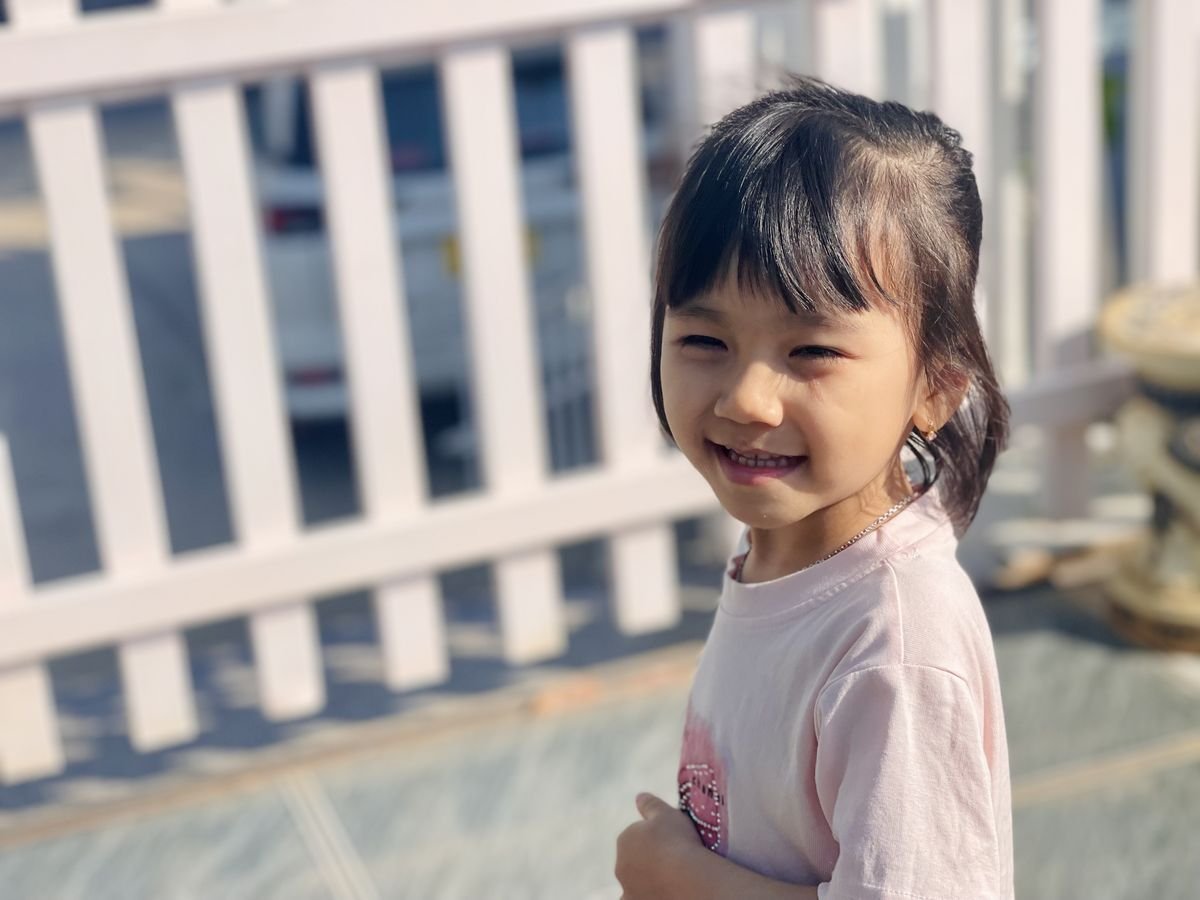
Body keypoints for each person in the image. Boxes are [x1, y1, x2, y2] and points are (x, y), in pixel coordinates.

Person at [614, 77, 1014, 899]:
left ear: (936, 387)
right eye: (703, 340)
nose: (746, 400)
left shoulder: (895, 647)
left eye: (811, 353)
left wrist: (682, 878)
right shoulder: (785, 551)